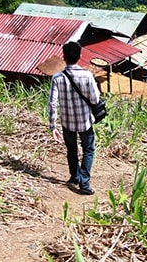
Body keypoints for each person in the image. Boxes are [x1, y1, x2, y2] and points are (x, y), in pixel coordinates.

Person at [48, 41, 101, 195]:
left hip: (67, 122)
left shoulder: (57, 77)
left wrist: (53, 126)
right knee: (88, 149)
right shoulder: (87, 75)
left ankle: (74, 177)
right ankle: (84, 183)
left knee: (71, 149)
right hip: (85, 121)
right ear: (80, 56)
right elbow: (95, 99)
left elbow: (52, 103)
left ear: (63, 57)